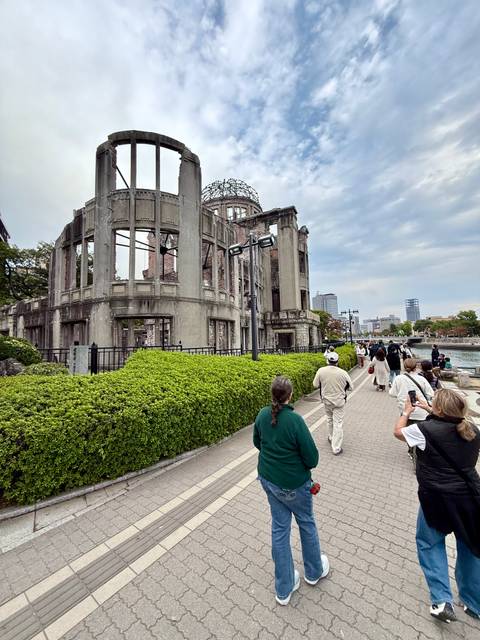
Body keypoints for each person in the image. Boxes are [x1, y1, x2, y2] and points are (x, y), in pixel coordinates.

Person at [393, 388, 480, 623]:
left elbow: (398, 432)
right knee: (471, 546)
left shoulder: (424, 430)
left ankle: (442, 599)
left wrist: (407, 411)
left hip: (436, 498)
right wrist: (430, 409)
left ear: (439, 409)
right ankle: (474, 603)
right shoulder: (472, 429)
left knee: (429, 543)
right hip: (469, 498)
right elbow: (452, 424)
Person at [254, 376, 329, 605]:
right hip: (295, 484)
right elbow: (312, 458)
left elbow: (258, 443)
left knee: (279, 529)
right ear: (290, 395)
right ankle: (314, 571)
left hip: (269, 480)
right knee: (306, 522)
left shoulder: (262, 415)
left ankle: (284, 587)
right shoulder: (295, 421)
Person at [390, 358, 434, 461]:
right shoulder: (422, 379)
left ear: (404, 367)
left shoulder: (398, 378)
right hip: (422, 411)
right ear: (416, 367)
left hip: (407, 411)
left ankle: (411, 451)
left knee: (409, 433)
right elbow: (431, 394)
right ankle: (420, 452)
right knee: (421, 434)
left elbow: (392, 393)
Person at [313, 352, 353, 455]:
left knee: (329, 419)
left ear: (327, 361)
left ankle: (331, 437)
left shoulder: (321, 371)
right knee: (338, 423)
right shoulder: (343, 372)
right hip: (339, 401)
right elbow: (351, 387)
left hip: (326, 400)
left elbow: (315, 384)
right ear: (337, 361)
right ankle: (336, 447)